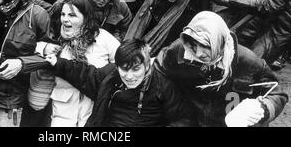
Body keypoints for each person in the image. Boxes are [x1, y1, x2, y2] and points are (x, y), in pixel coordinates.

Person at [156, 11, 288, 127]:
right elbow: (158, 71)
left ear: (220, 41)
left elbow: (277, 93)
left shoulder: (248, 61)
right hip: (193, 120)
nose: (199, 53)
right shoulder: (180, 50)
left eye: (206, 46)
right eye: (194, 45)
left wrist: (262, 108)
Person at [44, 38, 192, 127]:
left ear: (147, 66)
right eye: (124, 69)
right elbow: (85, 74)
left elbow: (183, 119)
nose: (129, 76)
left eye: (136, 69)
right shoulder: (111, 76)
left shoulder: (162, 85)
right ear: (118, 66)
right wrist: (58, 63)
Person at [47, 0, 120, 127]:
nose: (65, 19)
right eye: (63, 15)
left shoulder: (103, 38)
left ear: (86, 17)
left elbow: (123, 62)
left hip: (93, 116)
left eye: (72, 15)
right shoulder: (57, 43)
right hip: (62, 116)